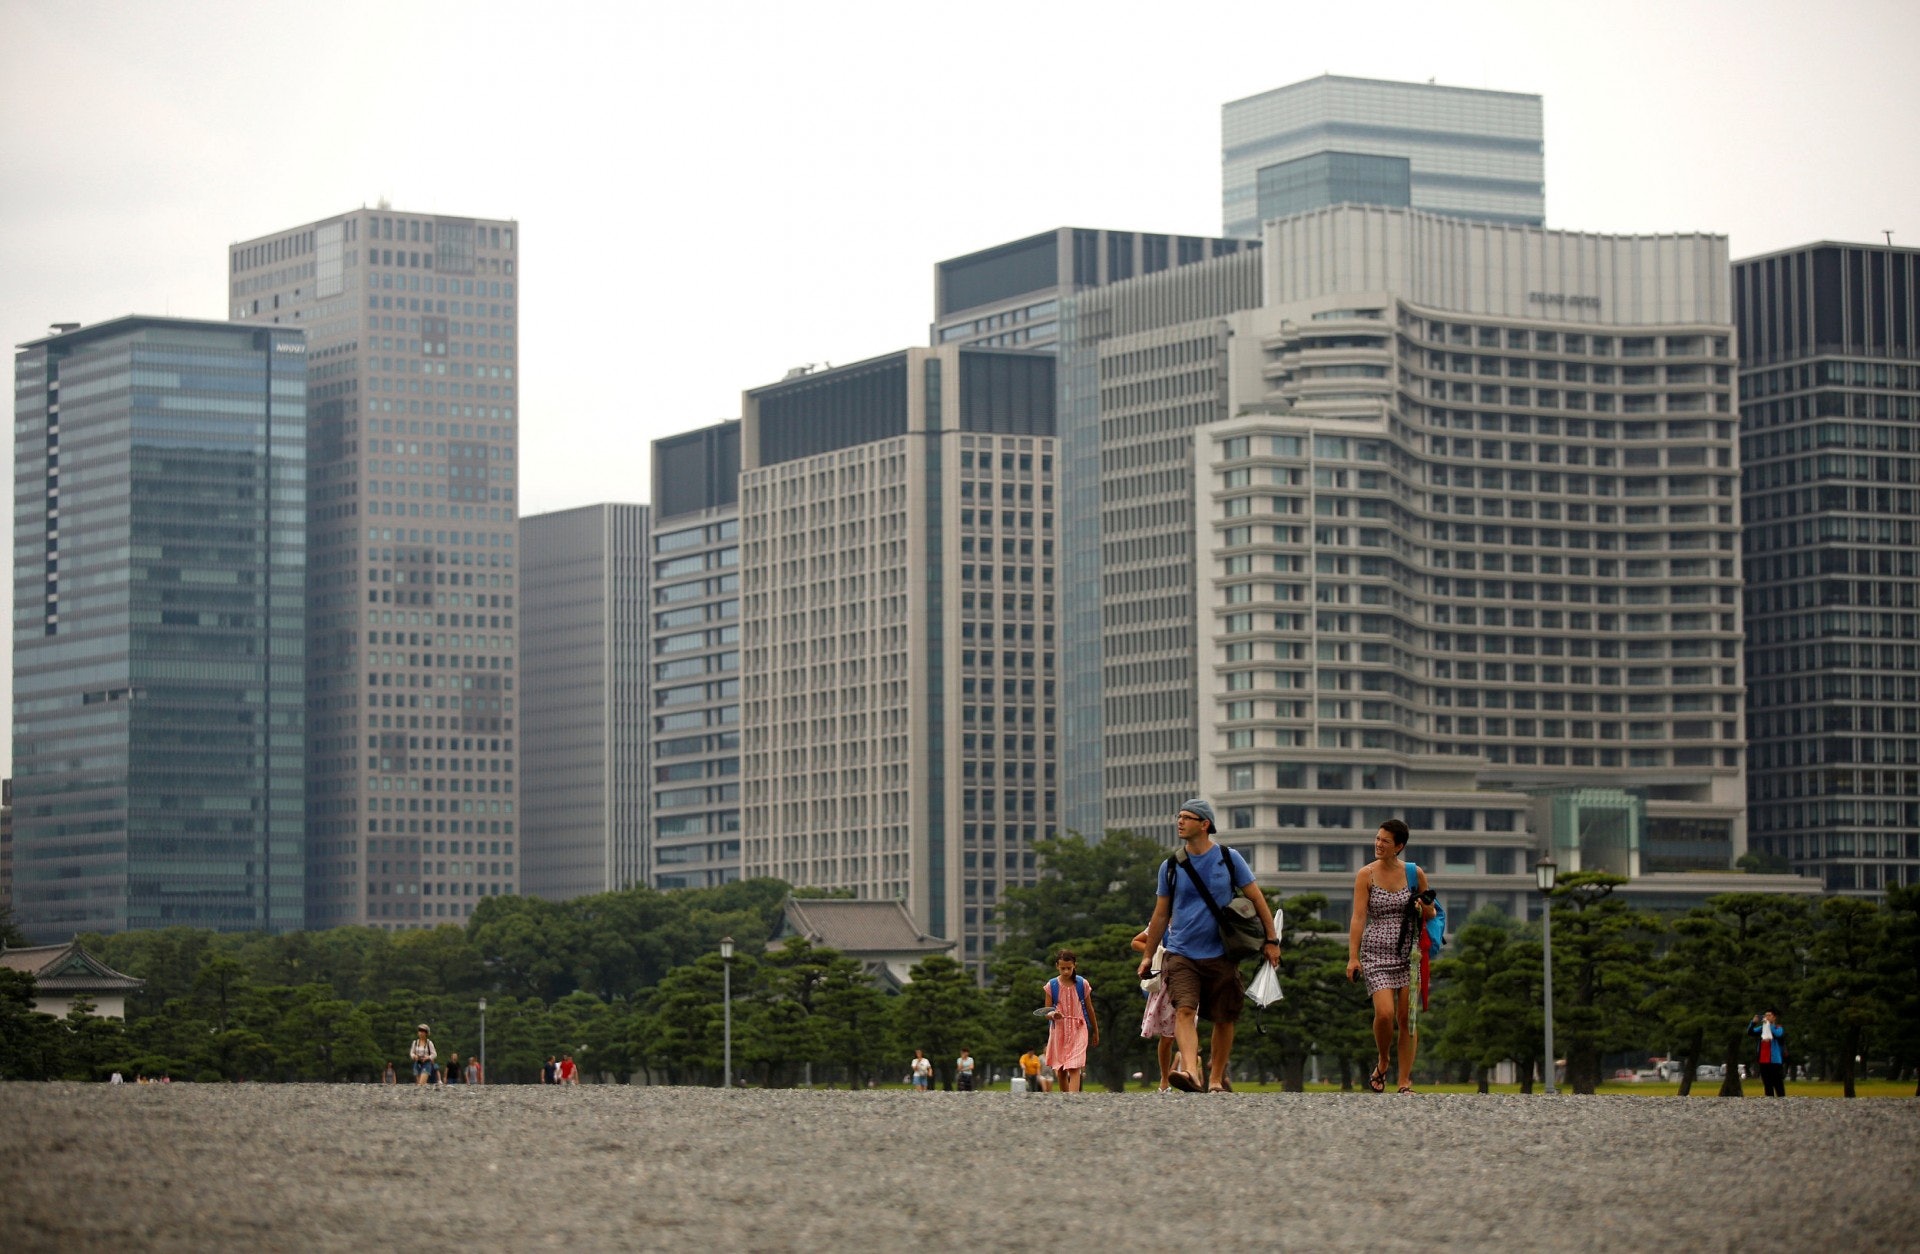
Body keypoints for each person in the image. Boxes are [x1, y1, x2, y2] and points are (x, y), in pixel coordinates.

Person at [1135, 798, 1282, 1093]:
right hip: (1181, 952)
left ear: (1205, 824)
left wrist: (1271, 940)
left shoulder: (1229, 858)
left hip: (1222, 952)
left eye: (1187, 817)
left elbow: (1257, 899)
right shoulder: (1171, 866)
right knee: (1184, 1010)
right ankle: (1191, 1071)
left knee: (1224, 1018)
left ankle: (1215, 1078)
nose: (1180, 821)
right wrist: (1148, 955)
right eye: (1179, 816)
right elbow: (1160, 914)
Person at [1345, 819, 1434, 1095]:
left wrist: (1422, 905)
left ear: (1399, 846)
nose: (1378, 844)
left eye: (1385, 841)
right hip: (1375, 952)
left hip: (1409, 953)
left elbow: (1431, 912)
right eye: (1377, 838)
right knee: (1384, 1014)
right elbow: (1358, 917)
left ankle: (1405, 1081)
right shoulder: (1366, 874)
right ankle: (1383, 1060)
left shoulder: (1414, 873)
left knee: (1407, 1017)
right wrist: (1353, 957)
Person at [1043, 949, 1101, 1092]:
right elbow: (1046, 1011)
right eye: (1063, 968)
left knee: (1075, 1066)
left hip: (1078, 1027)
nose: (1066, 971)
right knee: (1061, 1069)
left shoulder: (1082, 984)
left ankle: (1073, 1098)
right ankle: (1065, 1098)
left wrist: (1095, 1030)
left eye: (1069, 968)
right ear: (1057, 966)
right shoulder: (1051, 985)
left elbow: (1090, 1008)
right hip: (1059, 1029)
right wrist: (1053, 1014)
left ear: (1075, 965)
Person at [1132, 928, 1178, 1092]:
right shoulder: (1161, 924)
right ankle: (1164, 1078)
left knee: (1188, 1026)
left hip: (1190, 978)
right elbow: (1136, 942)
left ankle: (1190, 1073)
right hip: (1166, 982)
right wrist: (1157, 952)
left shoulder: (1194, 919)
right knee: (1167, 1037)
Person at [1749, 1009, 1788, 1097]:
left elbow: (1778, 1034)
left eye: (1769, 1015)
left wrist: (1769, 1025)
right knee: (1767, 1083)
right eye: (1765, 1015)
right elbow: (1750, 1032)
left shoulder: (1778, 1028)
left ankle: (1782, 1099)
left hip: (1775, 1060)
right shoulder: (1762, 1028)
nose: (1767, 1017)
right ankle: (1769, 1099)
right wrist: (1753, 1023)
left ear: (1774, 1017)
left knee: (1778, 1082)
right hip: (1763, 1060)